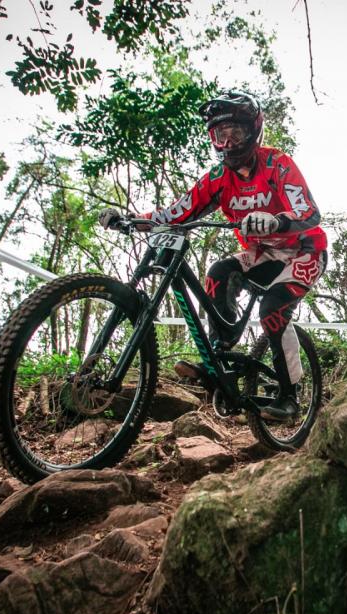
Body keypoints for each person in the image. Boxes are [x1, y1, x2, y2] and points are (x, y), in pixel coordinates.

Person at [99, 90, 327, 421]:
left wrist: (278, 219)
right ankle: (219, 354)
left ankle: (289, 397)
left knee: (273, 309)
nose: (230, 143)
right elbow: (177, 213)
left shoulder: (277, 164)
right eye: (222, 135)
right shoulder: (218, 179)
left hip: (304, 250)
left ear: (255, 130)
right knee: (219, 272)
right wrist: (132, 218)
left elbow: (309, 210)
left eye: (238, 132)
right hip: (263, 253)